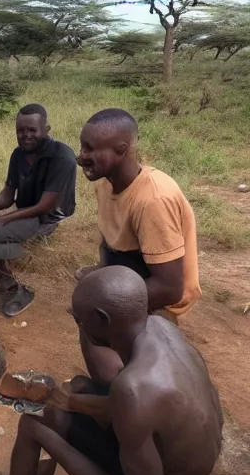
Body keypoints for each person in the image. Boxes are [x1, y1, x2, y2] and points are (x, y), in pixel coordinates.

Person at [0, 266, 223, 475]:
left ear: (102, 319)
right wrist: (69, 402)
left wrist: (60, 447)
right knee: (78, 387)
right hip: (198, 455)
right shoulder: (161, 327)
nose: (78, 324)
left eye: (79, 320)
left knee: (32, 423)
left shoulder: (133, 390)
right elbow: (131, 405)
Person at [76, 108, 201, 384]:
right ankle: (113, 391)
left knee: (90, 317)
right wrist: (100, 273)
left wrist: (99, 299)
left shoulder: (153, 199)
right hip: (132, 276)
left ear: (122, 151)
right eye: (82, 145)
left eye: (90, 148)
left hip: (159, 296)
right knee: (89, 313)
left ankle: (118, 398)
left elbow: (170, 288)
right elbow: (111, 239)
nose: (82, 155)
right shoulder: (106, 182)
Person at [0, 104, 77, 317]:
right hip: (30, 211)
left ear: (46, 129)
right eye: (21, 131)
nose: (26, 136)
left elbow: (44, 206)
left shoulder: (61, 156)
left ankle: (22, 286)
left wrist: (3, 220)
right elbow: (8, 195)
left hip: (49, 217)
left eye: (32, 130)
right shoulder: (18, 155)